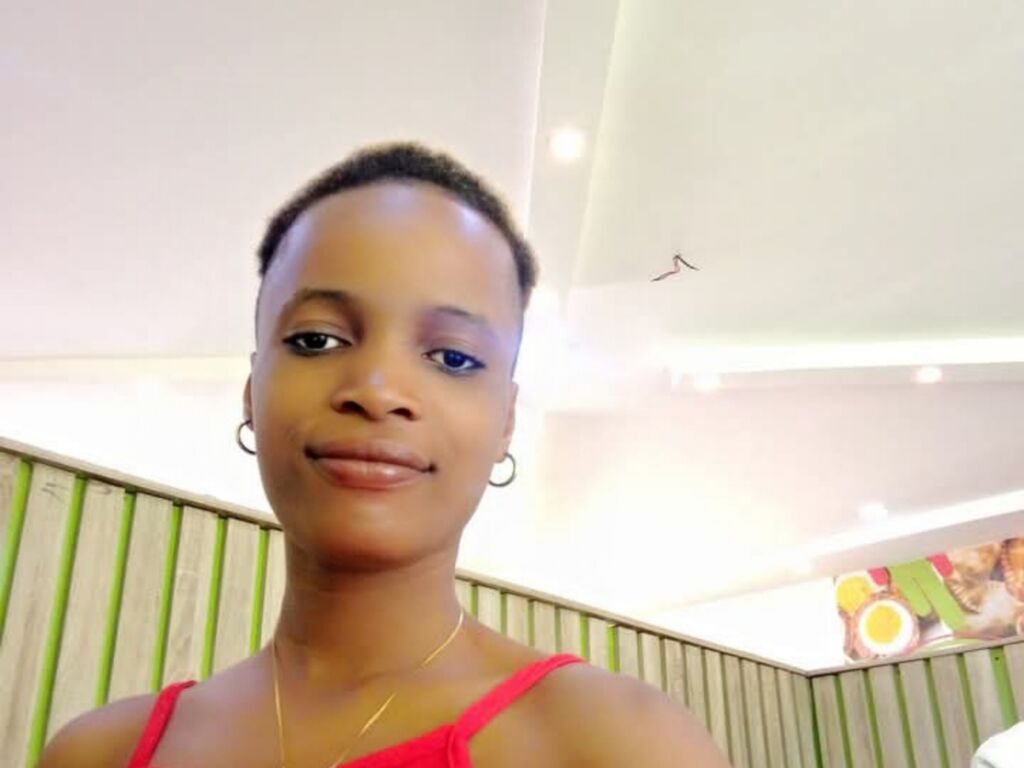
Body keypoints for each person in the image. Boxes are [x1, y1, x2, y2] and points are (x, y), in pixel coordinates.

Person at [40, 143, 730, 767]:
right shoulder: (98, 754)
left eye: (453, 357)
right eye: (317, 340)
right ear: (253, 393)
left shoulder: (617, 744)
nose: (376, 390)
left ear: (506, 423)